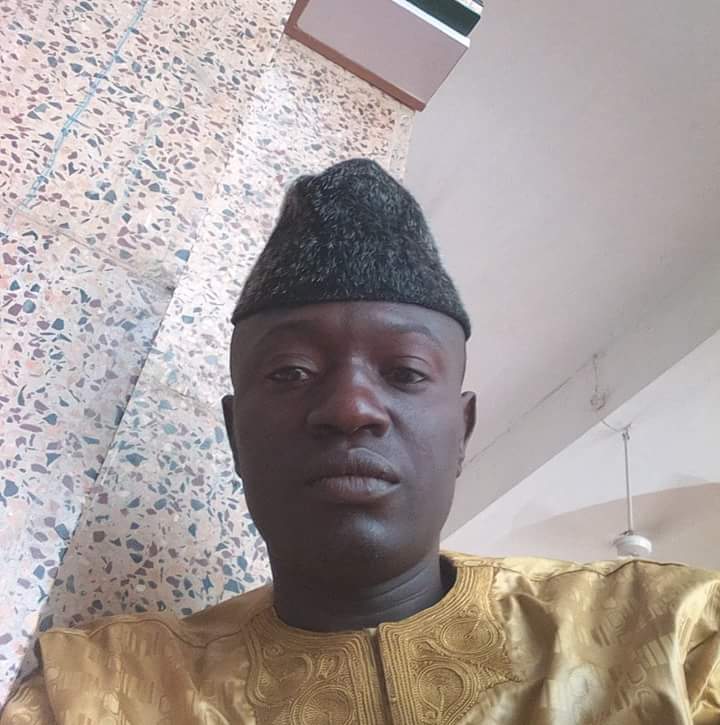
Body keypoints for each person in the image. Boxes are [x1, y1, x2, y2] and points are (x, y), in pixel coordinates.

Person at [2, 159, 719, 725]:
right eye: (291, 371)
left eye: (404, 372)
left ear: (463, 430)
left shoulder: (673, 638)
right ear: (235, 435)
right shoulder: (94, 693)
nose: (350, 408)